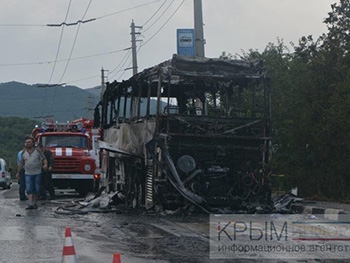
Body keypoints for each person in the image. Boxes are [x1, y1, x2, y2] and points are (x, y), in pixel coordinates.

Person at [16, 136, 48, 210]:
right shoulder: (23, 152)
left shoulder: (37, 151)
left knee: (37, 188)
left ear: (33, 143)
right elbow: (21, 163)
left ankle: (34, 202)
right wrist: (18, 172)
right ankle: (30, 203)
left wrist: (45, 164)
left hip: (37, 172)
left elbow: (44, 159)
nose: (27, 144)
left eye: (29, 142)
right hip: (27, 173)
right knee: (29, 188)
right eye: (26, 142)